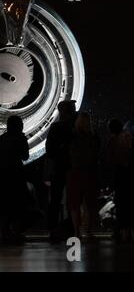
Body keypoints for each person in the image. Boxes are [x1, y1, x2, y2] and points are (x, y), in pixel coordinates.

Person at [45, 100, 77, 242]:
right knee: (73, 201)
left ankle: (53, 230)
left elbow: (50, 151)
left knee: (55, 201)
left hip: (58, 169)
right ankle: (73, 228)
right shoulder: (77, 127)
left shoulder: (56, 127)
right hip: (73, 168)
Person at [105, 119, 134, 242]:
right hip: (133, 176)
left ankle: (123, 232)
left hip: (120, 176)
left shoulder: (112, 141)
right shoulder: (130, 138)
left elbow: (110, 161)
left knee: (121, 206)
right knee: (132, 204)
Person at [67, 112, 100, 239]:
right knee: (88, 203)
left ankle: (76, 231)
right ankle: (88, 230)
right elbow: (96, 154)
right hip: (89, 172)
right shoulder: (93, 136)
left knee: (74, 203)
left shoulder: (72, 135)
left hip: (75, 172)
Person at [0, 116, 30, 243]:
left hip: (3, 175)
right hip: (17, 174)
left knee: (5, 204)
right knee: (17, 204)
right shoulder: (21, 138)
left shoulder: (2, 138)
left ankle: (4, 232)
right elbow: (25, 156)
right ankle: (16, 232)